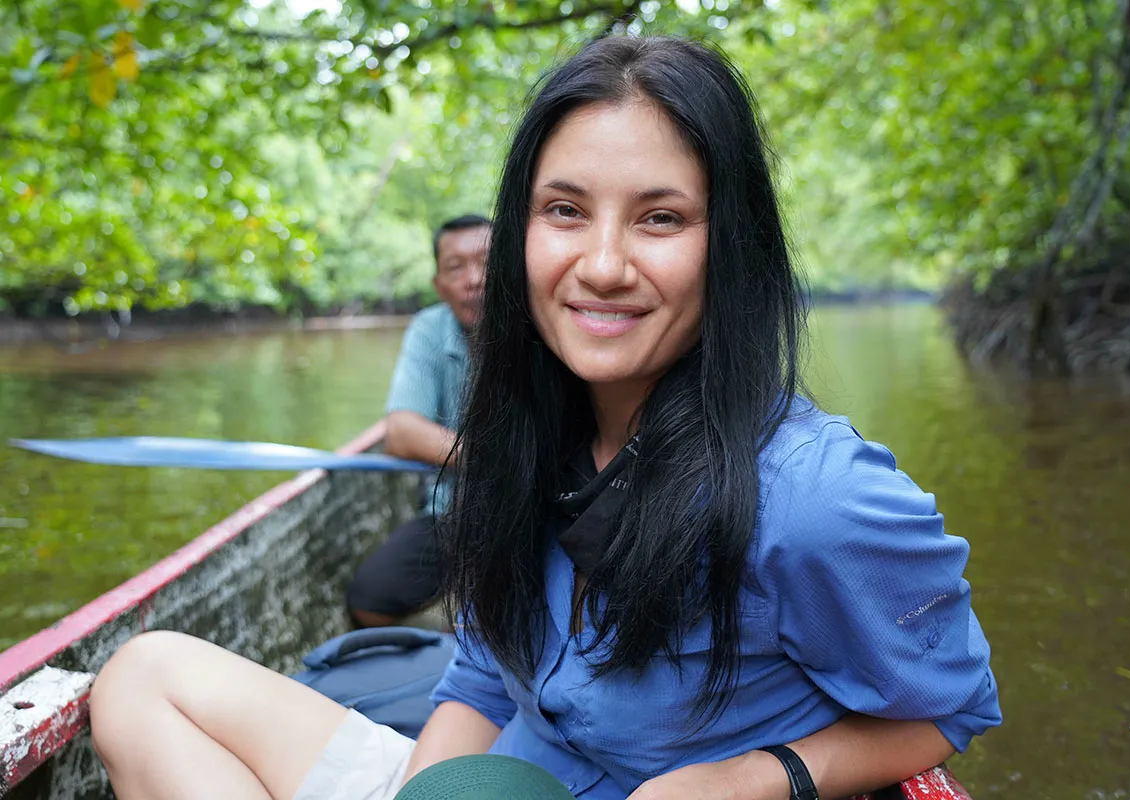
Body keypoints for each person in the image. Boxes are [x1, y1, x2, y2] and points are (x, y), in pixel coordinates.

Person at [88, 36, 1000, 800]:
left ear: (730, 247)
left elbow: (951, 707)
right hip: (499, 780)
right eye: (565, 210)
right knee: (143, 677)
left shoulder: (817, 499)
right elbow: (484, 678)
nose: (601, 265)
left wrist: (756, 778)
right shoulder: (524, 437)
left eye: (660, 219)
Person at [347, 214, 490, 628]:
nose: (474, 280)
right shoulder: (430, 328)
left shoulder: (543, 324)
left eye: (487, 262)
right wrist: (498, 460)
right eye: (456, 268)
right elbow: (402, 433)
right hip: (455, 510)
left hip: (540, 507)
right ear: (439, 285)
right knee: (369, 600)